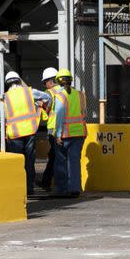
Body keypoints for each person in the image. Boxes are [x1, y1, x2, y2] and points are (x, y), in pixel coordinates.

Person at [0, 71, 51, 196]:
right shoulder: (29, 92)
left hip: (14, 134)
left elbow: (0, 119)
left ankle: (18, 190)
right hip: (30, 131)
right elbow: (47, 97)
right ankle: (29, 189)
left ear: (7, 84)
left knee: (17, 162)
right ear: (19, 81)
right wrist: (40, 105)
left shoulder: (5, 97)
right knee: (29, 160)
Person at [52, 69, 87, 197]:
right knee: (74, 161)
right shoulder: (81, 95)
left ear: (58, 82)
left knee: (61, 161)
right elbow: (84, 113)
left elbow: (60, 115)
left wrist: (58, 133)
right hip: (79, 133)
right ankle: (75, 188)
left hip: (66, 134)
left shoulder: (60, 96)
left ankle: (62, 189)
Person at [38, 67, 61, 191]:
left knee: (54, 156)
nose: (45, 85)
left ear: (51, 81)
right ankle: (47, 182)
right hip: (67, 128)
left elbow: (46, 111)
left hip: (53, 129)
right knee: (58, 156)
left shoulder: (49, 93)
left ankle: (47, 182)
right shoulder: (65, 90)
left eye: (45, 82)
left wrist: (41, 106)